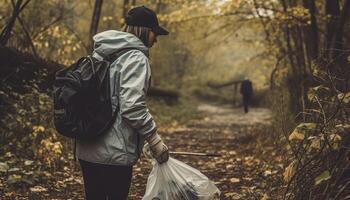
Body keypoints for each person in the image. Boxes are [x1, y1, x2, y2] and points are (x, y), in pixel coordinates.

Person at [75, 6, 170, 200]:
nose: (156, 39)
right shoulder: (136, 58)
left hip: (87, 147)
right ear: (144, 30)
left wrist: (140, 138)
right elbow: (132, 108)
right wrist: (153, 139)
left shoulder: (101, 53)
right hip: (114, 154)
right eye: (155, 33)